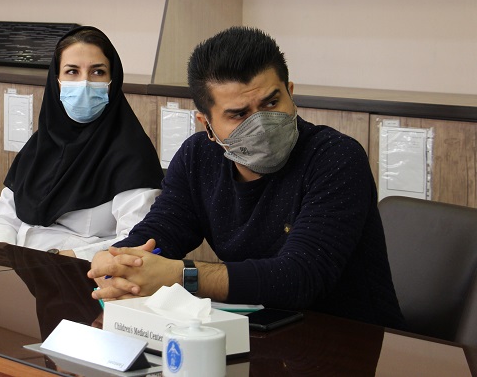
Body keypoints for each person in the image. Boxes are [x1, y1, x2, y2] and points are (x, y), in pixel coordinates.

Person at [89, 27, 405, 329]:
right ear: (206, 124)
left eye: (272, 102)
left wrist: (182, 276)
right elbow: (161, 231)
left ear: (290, 92)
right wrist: (120, 262)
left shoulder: (336, 157)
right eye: (239, 114)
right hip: (257, 332)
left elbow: (300, 278)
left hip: (352, 340)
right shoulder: (197, 157)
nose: (263, 124)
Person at [0, 26, 163, 260]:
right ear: (56, 80)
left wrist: (65, 258)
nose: (84, 82)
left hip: (84, 273)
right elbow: (4, 221)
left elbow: (137, 242)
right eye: (72, 71)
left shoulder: (131, 154)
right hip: (18, 271)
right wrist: (0, 261)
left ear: (113, 80)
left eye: (97, 72)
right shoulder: (39, 146)